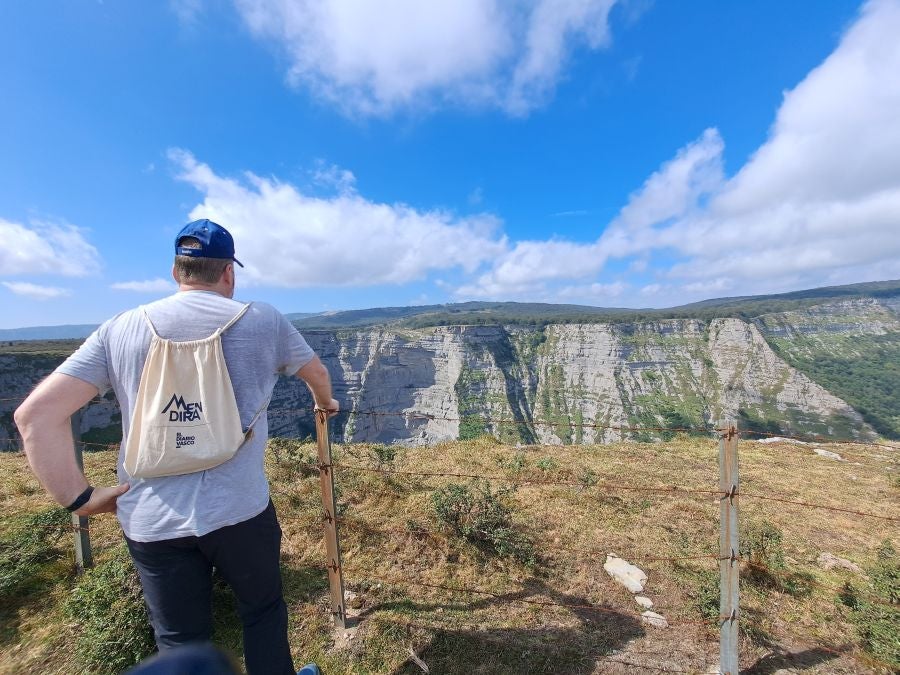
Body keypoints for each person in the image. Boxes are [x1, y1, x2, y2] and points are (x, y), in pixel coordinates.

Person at [15, 219, 336, 675]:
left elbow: (34, 416)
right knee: (262, 611)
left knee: (180, 641)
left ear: (175, 272)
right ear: (228, 273)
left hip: (151, 518)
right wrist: (326, 403)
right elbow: (317, 374)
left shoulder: (120, 328)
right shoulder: (263, 319)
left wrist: (80, 498)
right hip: (239, 510)